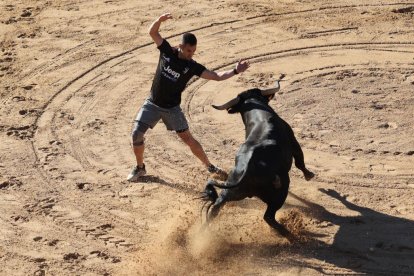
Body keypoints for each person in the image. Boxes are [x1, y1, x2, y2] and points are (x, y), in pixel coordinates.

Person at [127, 13, 250, 182]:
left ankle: (210, 166)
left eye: (193, 51)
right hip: (152, 104)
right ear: (181, 46)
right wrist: (159, 21)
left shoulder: (192, 66)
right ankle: (140, 168)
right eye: (188, 50)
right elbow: (153, 33)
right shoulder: (167, 51)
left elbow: (216, 76)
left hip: (172, 109)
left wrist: (235, 71)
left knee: (188, 139)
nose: (191, 54)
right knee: (136, 135)